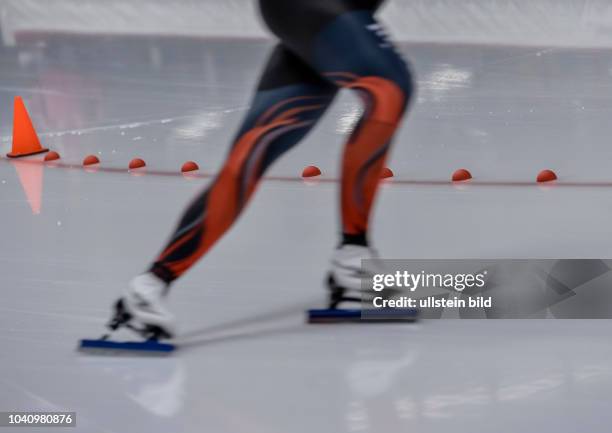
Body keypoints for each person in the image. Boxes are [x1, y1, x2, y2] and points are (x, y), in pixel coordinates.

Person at [107, 0, 414, 340]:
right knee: (390, 89)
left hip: (317, 15)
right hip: (319, 8)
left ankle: (148, 288)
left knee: (254, 151)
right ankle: (353, 257)